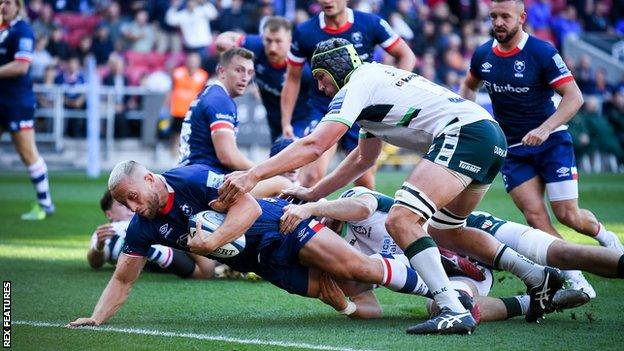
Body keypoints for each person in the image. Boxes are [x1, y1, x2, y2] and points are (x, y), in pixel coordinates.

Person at [219, 38, 564, 334]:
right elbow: (362, 159)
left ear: (337, 69)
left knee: (401, 220)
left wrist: (253, 175)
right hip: (488, 135)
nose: (322, 88)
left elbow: (314, 145)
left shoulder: (356, 85)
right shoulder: (374, 84)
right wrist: (312, 194)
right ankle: (537, 275)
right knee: (449, 231)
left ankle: (451, 306)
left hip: (465, 133)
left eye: (322, 79)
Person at [67, 161, 475, 327]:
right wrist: (97, 318)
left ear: (151, 179)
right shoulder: (142, 226)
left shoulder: (189, 179)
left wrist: (212, 240)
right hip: (264, 264)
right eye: (124, 203)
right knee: (357, 308)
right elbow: (122, 279)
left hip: (279, 226)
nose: (131, 206)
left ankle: (447, 287)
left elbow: (245, 206)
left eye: (133, 196)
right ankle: (406, 285)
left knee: (358, 268)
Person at [282, 186, 610, 322]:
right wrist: (346, 305)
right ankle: (534, 301)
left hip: (468, 233)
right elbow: (373, 307)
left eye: (308, 213)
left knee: (563, 251)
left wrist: (317, 204)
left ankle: (594, 260)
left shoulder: (350, 201)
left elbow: (364, 203)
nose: (315, 221)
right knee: (445, 307)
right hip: (455, 273)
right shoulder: (338, 255)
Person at [458, 1, 624, 268]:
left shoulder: (541, 52)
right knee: (535, 218)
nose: (498, 22)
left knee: (569, 215)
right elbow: (468, 86)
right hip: (511, 148)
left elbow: (574, 97)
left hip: (552, 141)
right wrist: (465, 117)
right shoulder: (482, 55)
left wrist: (545, 128)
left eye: (505, 17)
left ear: (522, 17)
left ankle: (609, 241)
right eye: (493, 17)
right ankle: (573, 276)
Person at [281, 0, 417, 189]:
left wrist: (394, 91)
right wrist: (286, 121)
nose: (328, 1)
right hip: (324, 108)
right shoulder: (304, 31)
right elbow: (292, 78)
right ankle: (302, 217)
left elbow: (406, 55)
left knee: (365, 182)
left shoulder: (371, 23)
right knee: (311, 175)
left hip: (362, 110)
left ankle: (355, 217)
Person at [177, 47, 290, 198]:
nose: (245, 77)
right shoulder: (220, 100)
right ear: (222, 71)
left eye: (250, 72)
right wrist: (263, 172)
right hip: (201, 180)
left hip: (192, 175)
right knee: (282, 184)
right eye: (239, 70)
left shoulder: (211, 93)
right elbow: (227, 156)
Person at [215, 16, 313, 143]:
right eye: (268, 40)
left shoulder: (304, 70)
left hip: (300, 120)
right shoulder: (255, 46)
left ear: (290, 40)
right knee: (277, 155)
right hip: (273, 120)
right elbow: (222, 42)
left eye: (278, 41)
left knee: (288, 150)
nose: (272, 47)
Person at [0, 0, 54, 220]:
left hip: (16, 102)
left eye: (8, 2)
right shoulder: (4, 30)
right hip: (2, 99)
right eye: (1, 2)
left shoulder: (22, 30)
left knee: (27, 153)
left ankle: (45, 204)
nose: (3, 6)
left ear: (18, 6)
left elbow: (21, 65)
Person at [89, 190, 216, 279]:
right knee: (206, 271)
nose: (130, 207)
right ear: (109, 214)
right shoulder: (108, 233)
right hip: (162, 259)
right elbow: (95, 263)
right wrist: (99, 246)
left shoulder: (150, 221)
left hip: (173, 251)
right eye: (121, 205)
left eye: (130, 202)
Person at [169, 52, 208, 156]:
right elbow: (171, 89)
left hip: (193, 110)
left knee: (193, 133)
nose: (192, 64)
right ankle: (173, 155)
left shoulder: (203, 75)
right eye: (191, 61)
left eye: (195, 61)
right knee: (176, 133)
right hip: (178, 109)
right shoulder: (177, 73)